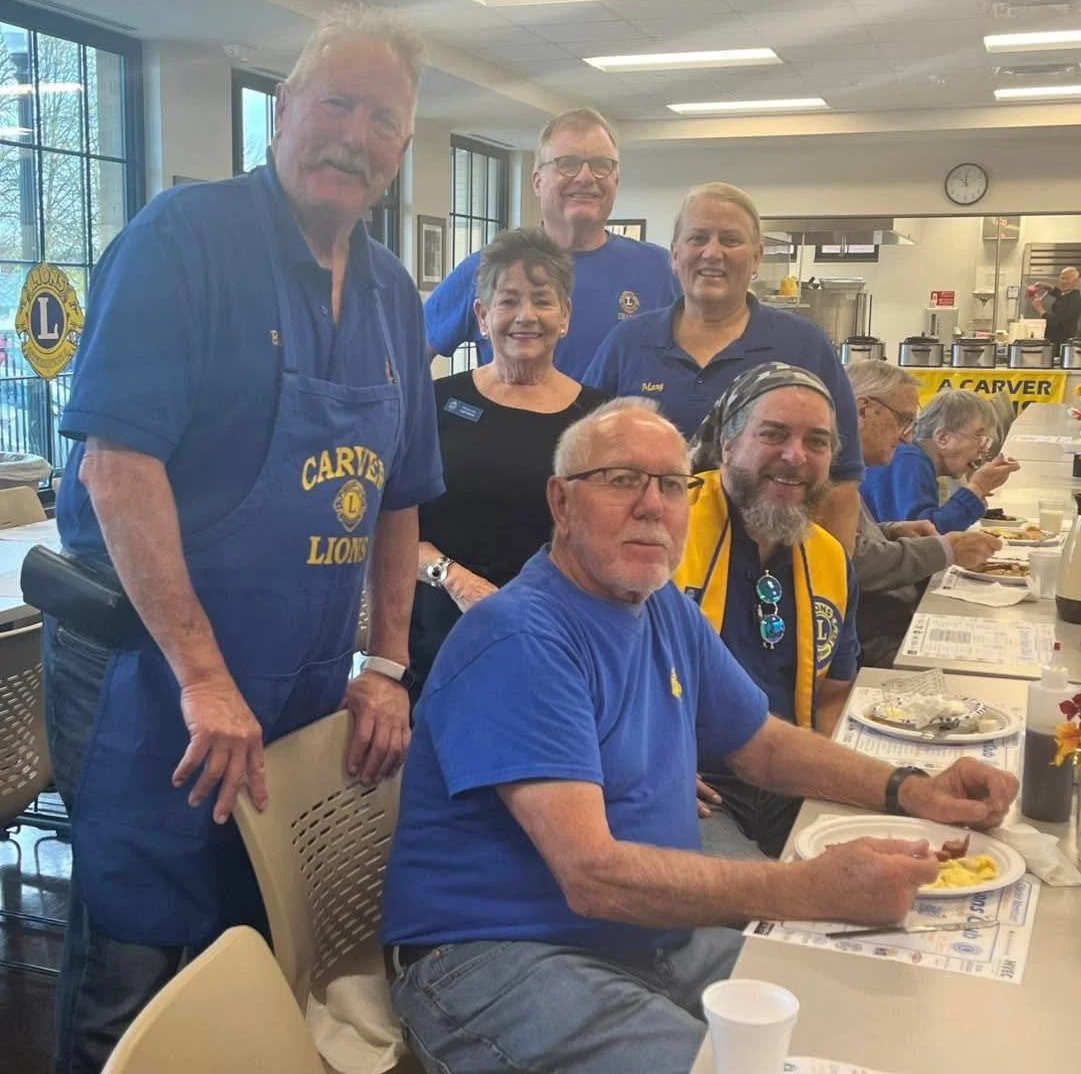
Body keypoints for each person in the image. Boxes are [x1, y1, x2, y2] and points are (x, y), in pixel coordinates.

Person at [381, 397, 1018, 1074]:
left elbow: (763, 746)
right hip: (495, 954)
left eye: (670, 485)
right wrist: (808, 888)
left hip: (647, 932)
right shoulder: (520, 638)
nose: (652, 506)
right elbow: (593, 876)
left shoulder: (660, 611)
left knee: (871, 1026)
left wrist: (912, 791)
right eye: (623, 480)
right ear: (561, 502)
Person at [44, 6, 442, 1071]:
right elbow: (117, 468)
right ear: (281, 113)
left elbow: (399, 494)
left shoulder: (396, 293)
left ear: (401, 151)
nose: (352, 134)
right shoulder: (184, 240)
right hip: (151, 674)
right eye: (335, 103)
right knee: (135, 954)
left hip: (301, 673)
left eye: (381, 119)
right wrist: (203, 674)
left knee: (261, 938)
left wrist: (387, 664)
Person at [582, 182, 864, 551]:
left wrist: (829, 591)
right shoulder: (627, 342)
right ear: (674, 254)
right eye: (698, 238)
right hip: (643, 563)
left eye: (731, 240)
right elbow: (584, 462)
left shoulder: (804, 345)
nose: (712, 253)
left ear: (757, 257)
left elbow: (842, 483)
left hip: (767, 569)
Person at [411, 227, 606, 697]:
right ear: (481, 315)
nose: (526, 316)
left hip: (561, 647)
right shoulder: (432, 404)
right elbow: (394, 529)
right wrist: (457, 582)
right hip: (444, 639)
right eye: (507, 300)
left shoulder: (601, 419)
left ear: (565, 316)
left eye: (542, 300)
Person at [675, 364, 859, 859]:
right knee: (769, 908)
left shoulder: (829, 556)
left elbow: (834, 696)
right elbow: (573, 672)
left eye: (816, 442)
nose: (795, 456)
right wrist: (638, 762)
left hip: (790, 775)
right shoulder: (661, 530)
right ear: (729, 444)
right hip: (690, 784)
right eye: (773, 434)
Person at [423, 108, 679, 380]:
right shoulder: (489, 267)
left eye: (601, 165)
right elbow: (408, 354)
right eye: (567, 163)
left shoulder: (661, 271)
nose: (585, 177)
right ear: (537, 181)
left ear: (616, 181)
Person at [847, 361, 1001, 668]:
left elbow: (846, 541)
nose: (907, 436)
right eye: (903, 420)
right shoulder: (904, 461)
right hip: (875, 639)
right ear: (863, 411)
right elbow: (854, 563)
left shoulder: (853, 468)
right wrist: (948, 547)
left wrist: (888, 530)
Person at [860, 389, 1019, 533]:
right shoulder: (909, 461)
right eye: (978, 437)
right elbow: (925, 537)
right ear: (942, 437)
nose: (984, 449)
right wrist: (977, 488)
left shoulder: (917, 459)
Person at [1031, 265, 1081, 346]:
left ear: (1076, 281)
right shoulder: (1068, 294)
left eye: (1067, 279)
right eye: (1062, 278)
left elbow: (1056, 322)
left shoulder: (1075, 299)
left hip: (1062, 343)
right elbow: (1060, 294)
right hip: (1053, 340)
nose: (1064, 282)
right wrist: (1049, 287)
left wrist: (1040, 309)